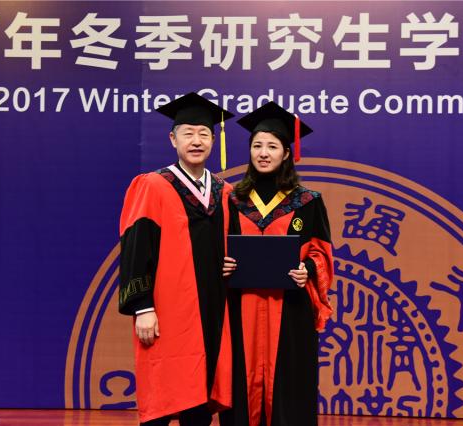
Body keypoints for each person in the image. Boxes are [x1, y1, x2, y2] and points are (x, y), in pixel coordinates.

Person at [118, 92, 235, 425]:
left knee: (200, 400)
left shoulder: (224, 192)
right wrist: (142, 307)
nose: (196, 141)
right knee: (163, 395)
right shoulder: (153, 186)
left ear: (213, 140)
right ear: (173, 139)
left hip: (212, 307)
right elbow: (135, 248)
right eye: (188, 133)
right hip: (167, 310)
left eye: (204, 134)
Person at [220, 102, 334, 426]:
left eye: (272, 146)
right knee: (241, 384)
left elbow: (321, 253)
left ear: (286, 153)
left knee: (289, 386)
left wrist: (306, 270)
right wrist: (222, 264)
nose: (263, 153)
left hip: (290, 310)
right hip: (241, 306)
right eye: (257, 145)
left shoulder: (307, 201)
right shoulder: (232, 199)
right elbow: (216, 248)